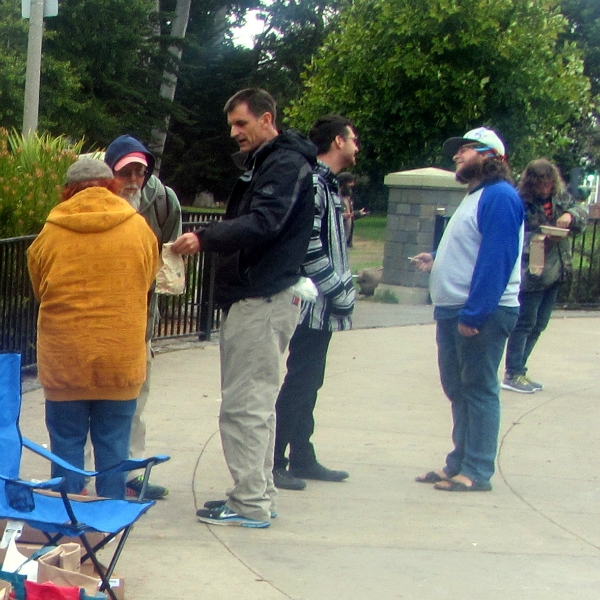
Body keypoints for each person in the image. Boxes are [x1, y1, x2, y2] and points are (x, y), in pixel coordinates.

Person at [171, 88, 316, 527]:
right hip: (264, 296)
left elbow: (265, 222)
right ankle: (258, 494)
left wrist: (205, 237)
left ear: (267, 119)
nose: (234, 133)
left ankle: (250, 503)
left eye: (241, 123)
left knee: (243, 406)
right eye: (231, 125)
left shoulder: (284, 164)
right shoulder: (273, 163)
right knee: (257, 404)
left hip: (263, 299)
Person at [27, 159, 158, 499]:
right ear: (112, 184)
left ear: (68, 191)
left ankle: (70, 520)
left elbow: (40, 288)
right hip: (120, 357)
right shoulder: (138, 228)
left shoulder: (51, 231)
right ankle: (108, 520)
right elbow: (145, 281)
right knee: (114, 444)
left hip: (64, 358)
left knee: (66, 445)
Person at [411, 127, 524, 492]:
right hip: (455, 310)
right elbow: (473, 248)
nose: (457, 155)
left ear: (491, 156)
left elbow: (496, 260)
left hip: (480, 313)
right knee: (458, 388)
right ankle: (458, 461)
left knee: (478, 389)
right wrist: (438, 259)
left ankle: (476, 470)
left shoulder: (500, 197)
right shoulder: (476, 196)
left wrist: (475, 314)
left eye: (465, 150)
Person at [272, 115, 358, 491]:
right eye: (353, 138)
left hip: (321, 307)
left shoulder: (327, 184)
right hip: (312, 305)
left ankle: (301, 455)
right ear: (338, 141)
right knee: (300, 383)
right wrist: (339, 291)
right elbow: (309, 246)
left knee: (309, 381)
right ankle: (275, 461)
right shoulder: (316, 185)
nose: (357, 145)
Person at [102, 135, 182, 499]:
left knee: (136, 396)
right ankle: (89, 473)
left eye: (141, 171)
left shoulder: (164, 203)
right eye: (126, 171)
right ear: (110, 172)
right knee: (92, 400)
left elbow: (169, 256)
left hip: (140, 317)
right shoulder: (94, 200)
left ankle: (129, 472)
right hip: (98, 317)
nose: (134, 179)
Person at [501, 159, 587, 393]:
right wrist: (541, 237)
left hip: (557, 268)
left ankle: (521, 369)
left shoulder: (560, 197)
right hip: (533, 270)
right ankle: (513, 372)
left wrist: (569, 216)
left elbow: (581, 211)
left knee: (539, 324)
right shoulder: (520, 201)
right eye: (541, 184)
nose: (545, 188)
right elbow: (512, 235)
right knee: (525, 323)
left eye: (549, 183)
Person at [338, 172, 368, 247]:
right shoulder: (335, 196)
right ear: (343, 183)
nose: (352, 184)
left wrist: (358, 213)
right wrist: (344, 216)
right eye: (350, 182)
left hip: (345, 239)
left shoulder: (347, 197)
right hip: (338, 238)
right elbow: (334, 215)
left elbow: (349, 214)